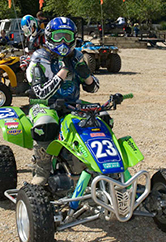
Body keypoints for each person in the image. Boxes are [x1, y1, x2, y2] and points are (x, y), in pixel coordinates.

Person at [26, 17, 100, 185]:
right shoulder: (40, 57)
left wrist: (86, 74)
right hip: (45, 105)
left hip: (72, 104)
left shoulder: (77, 56)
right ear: (50, 36)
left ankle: (91, 166)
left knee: (100, 119)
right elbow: (40, 93)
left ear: (74, 38)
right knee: (45, 124)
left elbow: (94, 88)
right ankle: (42, 170)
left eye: (67, 37)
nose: (63, 42)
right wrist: (62, 72)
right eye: (59, 36)